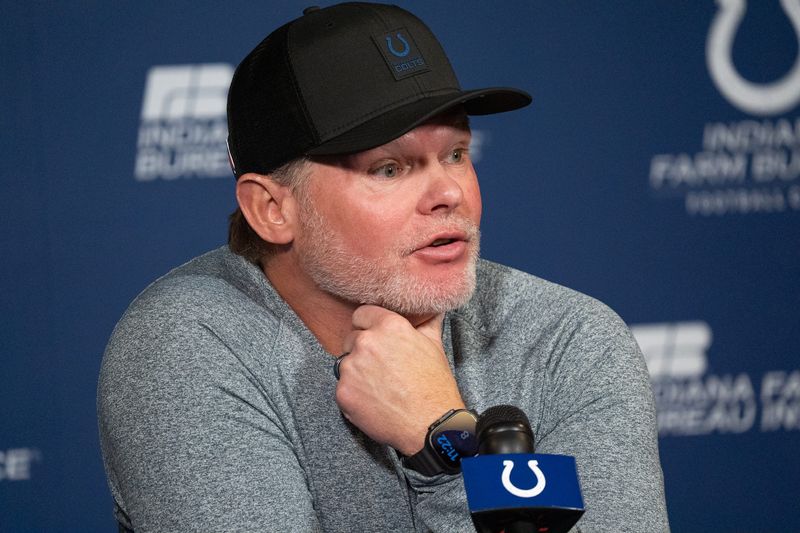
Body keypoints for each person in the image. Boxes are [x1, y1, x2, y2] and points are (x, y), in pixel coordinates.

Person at [98, 3, 669, 532]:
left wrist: (443, 441)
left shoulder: (569, 340)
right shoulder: (187, 345)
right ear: (273, 209)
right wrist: (454, 451)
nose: (449, 192)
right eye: (390, 169)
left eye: (456, 154)